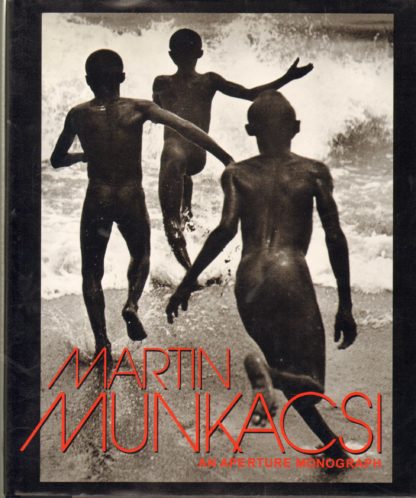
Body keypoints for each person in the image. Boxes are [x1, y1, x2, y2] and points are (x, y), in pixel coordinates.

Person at [166, 91, 357, 460]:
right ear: (296, 127)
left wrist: (187, 282)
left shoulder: (236, 173)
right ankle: (266, 373)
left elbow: (225, 230)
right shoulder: (314, 171)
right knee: (310, 384)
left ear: (250, 130)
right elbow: (334, 235)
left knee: (282, 375)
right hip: (290, 274)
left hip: (249, 279)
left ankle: (332, 446)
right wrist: (345, 304)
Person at [50, 49, 233, 361]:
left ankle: (102, 343)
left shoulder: (77, 114)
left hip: (97, 198)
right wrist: (226, 158)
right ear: (122, 77)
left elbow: (56, 160)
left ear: (88, 80)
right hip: (130, 197)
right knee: (141, 256)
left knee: (91, 272)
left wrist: (82, 156)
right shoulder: (139, 108)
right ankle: (131, 304)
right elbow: (187, 128)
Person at [153, 28, 313, 270]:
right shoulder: (209, 81)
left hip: (175, 153)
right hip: (199, 155)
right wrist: (287, 78)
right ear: (200, 53)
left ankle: (189, 274)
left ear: (171, 55)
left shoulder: (161, 82)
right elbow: (251, 95)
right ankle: (190, 216)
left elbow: (157, 111)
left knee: (171, 219)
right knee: (184, 185)